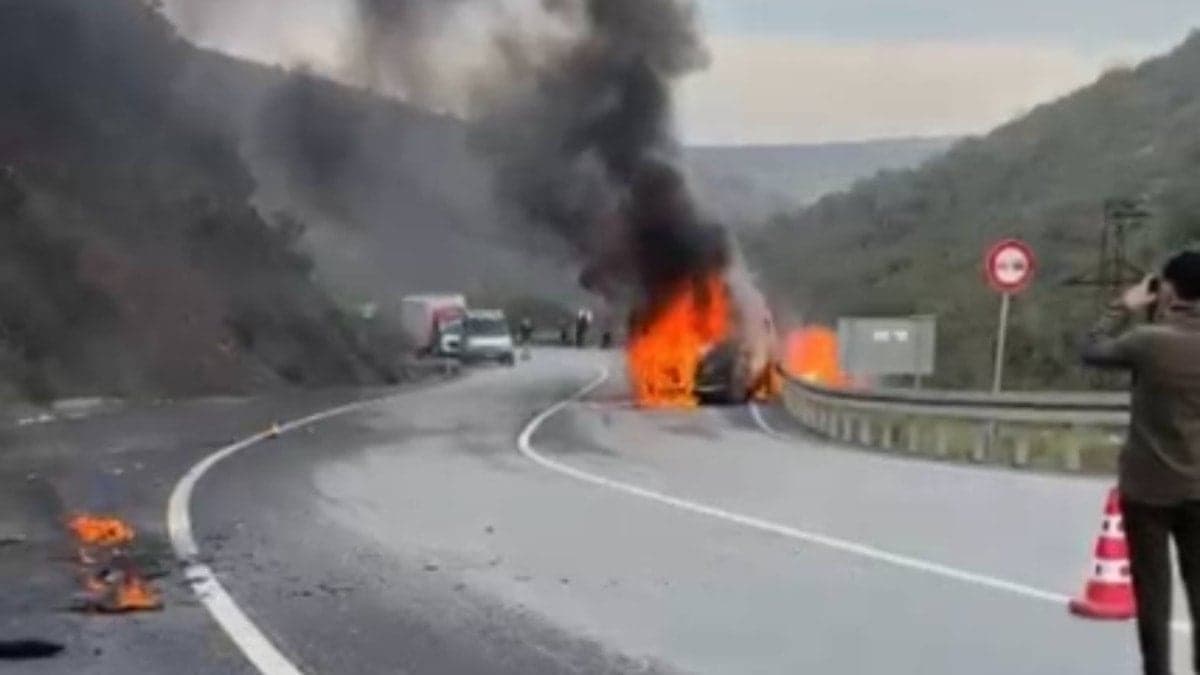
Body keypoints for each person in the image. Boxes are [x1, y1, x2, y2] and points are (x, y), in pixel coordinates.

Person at [1081, 250, 1200, 675]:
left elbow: (1090, 350)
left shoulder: (1148, 342)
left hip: (1147, 488)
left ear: (1168, 289)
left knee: (1154, 597)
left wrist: (1122, 307)